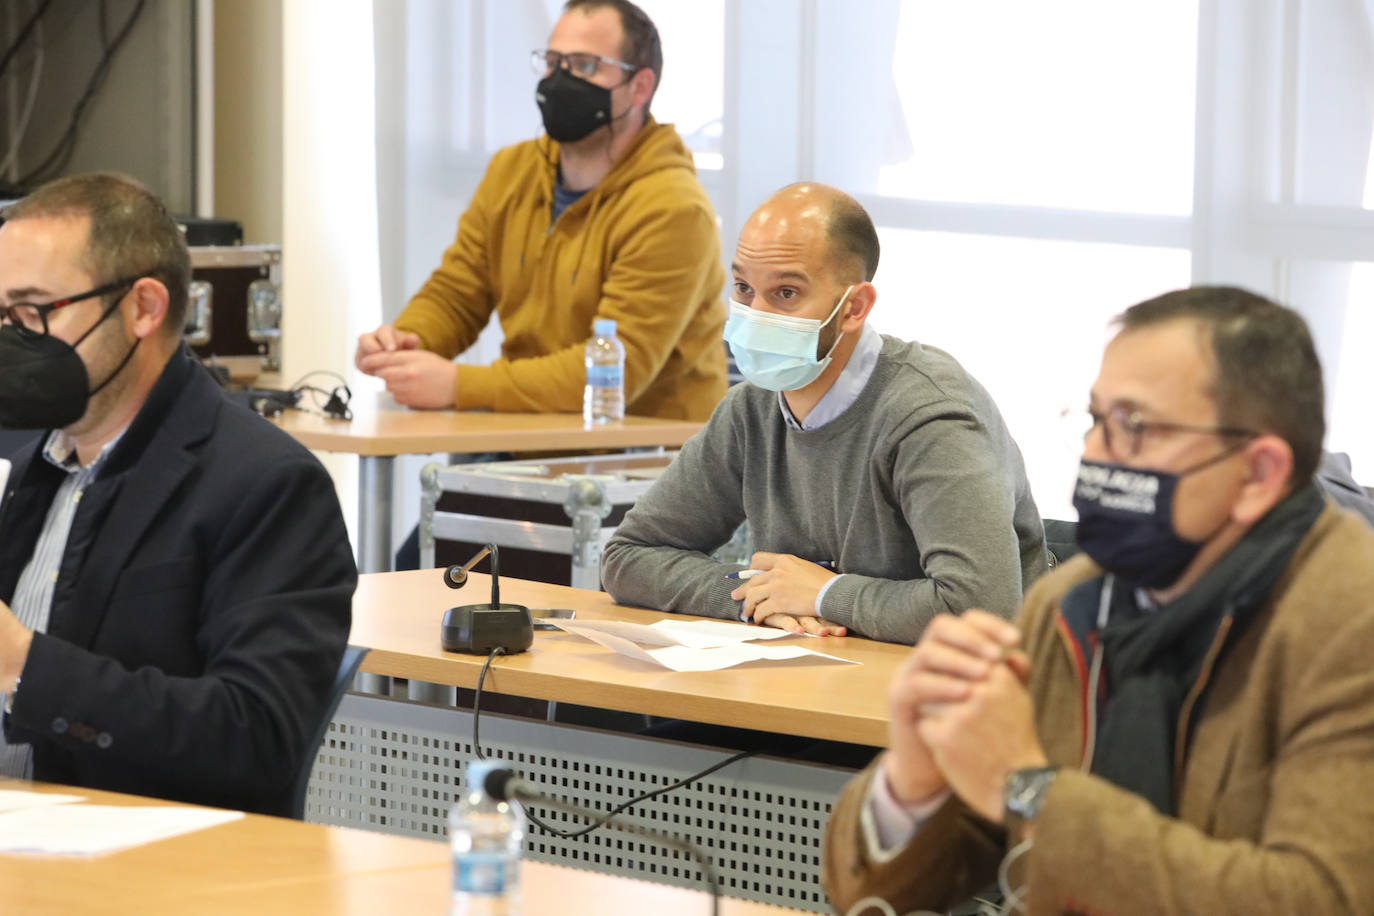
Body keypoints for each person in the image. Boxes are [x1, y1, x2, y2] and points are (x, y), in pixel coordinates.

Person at [822, 287, 1374, 914]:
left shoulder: (1351, 624)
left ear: (1258, 474)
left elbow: (1321, 899)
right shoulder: (1073, 604)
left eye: (1134, 429)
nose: (1095, 456)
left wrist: (1033, 792)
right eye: (1095, 422)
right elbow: (892, 885)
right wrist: (915, 782)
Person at [0, 172, 356, 816]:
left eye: (35, 311)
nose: (12, 337)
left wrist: (23, 665)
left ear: (142, 308)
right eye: (2, 313)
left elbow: (256, 735)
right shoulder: (29, 469)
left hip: (146, 874)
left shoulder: (265, 485)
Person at [600, 183, 1047, 644]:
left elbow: (983, 609)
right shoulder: (751, 410)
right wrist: (759, 597)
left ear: (854, 307)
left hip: (964, 692)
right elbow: (629, 555)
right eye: (743, 288)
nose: (755, 313)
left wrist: (826, 594)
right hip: (818, 676)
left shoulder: (930, 414)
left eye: (787, 292)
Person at [355, 0, 726, 420]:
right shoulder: (512, 171)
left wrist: (459, 385)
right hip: (527, 436)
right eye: (554, 62)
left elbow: (615, 370)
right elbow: (458, 293)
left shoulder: (673, 208)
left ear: (639, 87)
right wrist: (405, 343)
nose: (560, 80)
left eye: (585, 66)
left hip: (641, 459)